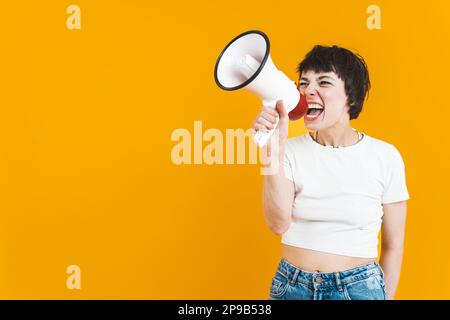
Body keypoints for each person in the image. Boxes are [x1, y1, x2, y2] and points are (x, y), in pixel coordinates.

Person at [253, 45, 409, 300]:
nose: (308, 91)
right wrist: (273, 150)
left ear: (351, 96)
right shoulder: (288, 151)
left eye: (323, 82)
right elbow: (277, 223)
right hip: (291, 287)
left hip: (359, 288)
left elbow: (393, 246)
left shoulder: (385, 156)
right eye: (303, 83)